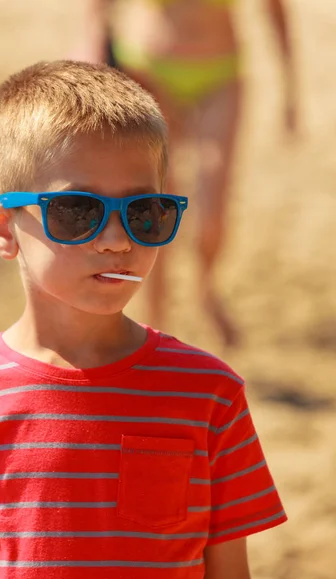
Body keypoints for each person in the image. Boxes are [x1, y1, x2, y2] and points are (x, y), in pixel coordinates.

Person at [0, 60, 287, 579]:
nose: (118, 240)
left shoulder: (210, 395)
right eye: (78, 211)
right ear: (2, 227)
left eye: (145, 211)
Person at [71, 0, 299, 345]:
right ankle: (156, 324)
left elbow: (276, 10)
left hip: (221, 75)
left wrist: (290, 89)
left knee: (213, 212)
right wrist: (92, 47)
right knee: (153, 211)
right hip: (150, 73)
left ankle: (205, 288)